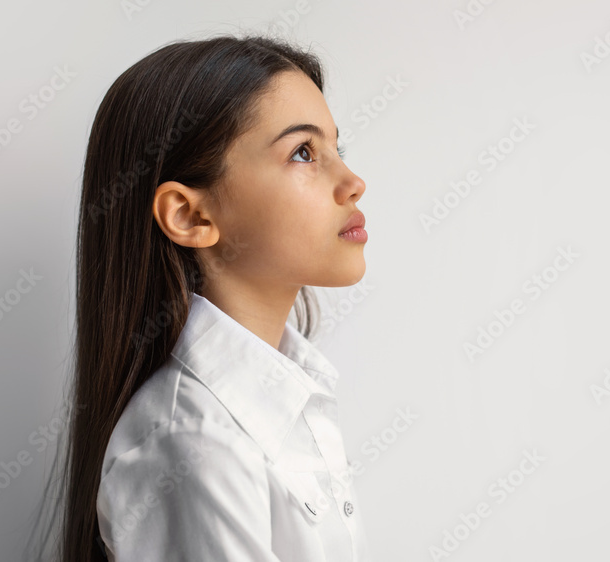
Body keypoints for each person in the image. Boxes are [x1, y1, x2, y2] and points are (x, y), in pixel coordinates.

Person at [26, 34, 371, 561]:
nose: (353, 182)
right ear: (190, 216)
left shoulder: (290, 397)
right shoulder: (194, 439)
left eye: (335, 149)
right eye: (303, 152)